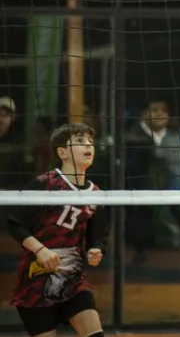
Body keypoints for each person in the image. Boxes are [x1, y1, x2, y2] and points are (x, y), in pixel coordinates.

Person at [7, 122, 107, 337]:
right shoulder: (46, 183)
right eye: (79, 141)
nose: (88, 145)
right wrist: (40, 250)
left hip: (73, 279)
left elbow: (95, 237)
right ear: (62, 152)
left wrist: (96, 250)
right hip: (36, 280)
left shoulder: (96, 193)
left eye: (90, 141)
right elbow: (14, 221)